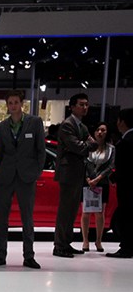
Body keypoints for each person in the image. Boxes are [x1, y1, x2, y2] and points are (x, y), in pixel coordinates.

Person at [0, 90, 47, 269]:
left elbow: (41, 150)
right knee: (2, 219)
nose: (13, 106)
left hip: (26, 177)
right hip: (5, 177)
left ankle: (29, 256)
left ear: (22, 104)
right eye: (10, 103)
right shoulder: (2, 126)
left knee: (27, 218)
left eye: (16, 102)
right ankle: (0, 255)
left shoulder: (35, 122)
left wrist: (36, 172)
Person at [53, 93, 97, 257]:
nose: (85, 107)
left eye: (86, 104)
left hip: (77, 172)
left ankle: (66, 243)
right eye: (81, 104)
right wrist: (87, 145)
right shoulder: (67, 125)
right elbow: (80, 147)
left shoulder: (81, 126)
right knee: (65, 210)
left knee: (71, 210)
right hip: (68, 172)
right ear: (72, 107)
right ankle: (59, 246)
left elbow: (91, 144)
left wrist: (86, 145)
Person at [81, 122, 114, 252]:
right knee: (85, 212)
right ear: (94, 132)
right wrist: (88, 178)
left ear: (107, 133)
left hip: (102, 183)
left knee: (100, 213)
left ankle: (98, 241)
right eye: (98, 130)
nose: (100, 132)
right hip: (87, 182)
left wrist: (98, 178)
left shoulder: (111, 149)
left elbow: (111, 166)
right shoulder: (87, 147)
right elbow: (83, 163)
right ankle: (85, 240)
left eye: (103, 130)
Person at [106, 108, 132, 258]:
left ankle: (126, 247)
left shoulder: (125, 142)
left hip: (127, 186)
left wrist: (113, 177)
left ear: (122, 122)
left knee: (126, 215)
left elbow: (124, 168)